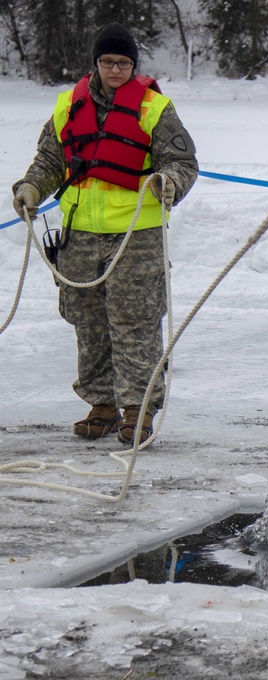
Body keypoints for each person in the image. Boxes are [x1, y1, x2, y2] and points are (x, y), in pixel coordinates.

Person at [11, 22, 198, 445]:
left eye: (124, 63)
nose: (116, 69)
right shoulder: (67, 106)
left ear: (134, 65)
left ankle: (138, 410)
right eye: (109, 61)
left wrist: (168, 182)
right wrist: (29, 187)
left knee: (136, 324)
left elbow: (184, 163)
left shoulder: (154, 108)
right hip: (80, 236)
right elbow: (49, 159)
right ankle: (102, 404)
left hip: (137, 237)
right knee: (88, 323)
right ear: (96, 63)